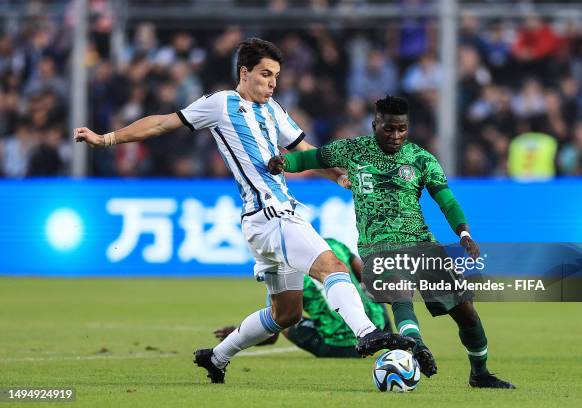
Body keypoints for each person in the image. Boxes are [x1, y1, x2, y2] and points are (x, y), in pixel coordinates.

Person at [73, 38, 413, 384]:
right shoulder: (222, 103)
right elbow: (163, 123)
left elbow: (306, 151)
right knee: (332, 266)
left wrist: (339, 175)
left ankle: (217, 357)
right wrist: (107, 139)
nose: (272, 83)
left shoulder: (274, 110)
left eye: (276, 76)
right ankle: (368, 333)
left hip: (263, 223)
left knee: (287, 314)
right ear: (244, 72)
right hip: (272, 215)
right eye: (265, 74)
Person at [267, 95, 516, 389]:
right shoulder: (353, 150)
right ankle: (418, 346)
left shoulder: (421, 159)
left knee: (466, 312)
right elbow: (310, 158)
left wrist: (463, 233)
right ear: (375, 124)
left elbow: (446, 200)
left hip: (422, 244)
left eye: (401, 129)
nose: (395, 135)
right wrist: (284, 162)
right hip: (378, 246)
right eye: (389, 128)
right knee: (400, 294)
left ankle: (480, 373)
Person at [214, 238, 391, 358]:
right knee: (367, 290)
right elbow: (369, 277)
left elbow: (271, 336)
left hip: (338, 347)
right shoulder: (333, 246)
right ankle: (382, 336)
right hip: (374, 329)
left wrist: (238, 334)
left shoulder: (281, 269)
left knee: (282, 316)